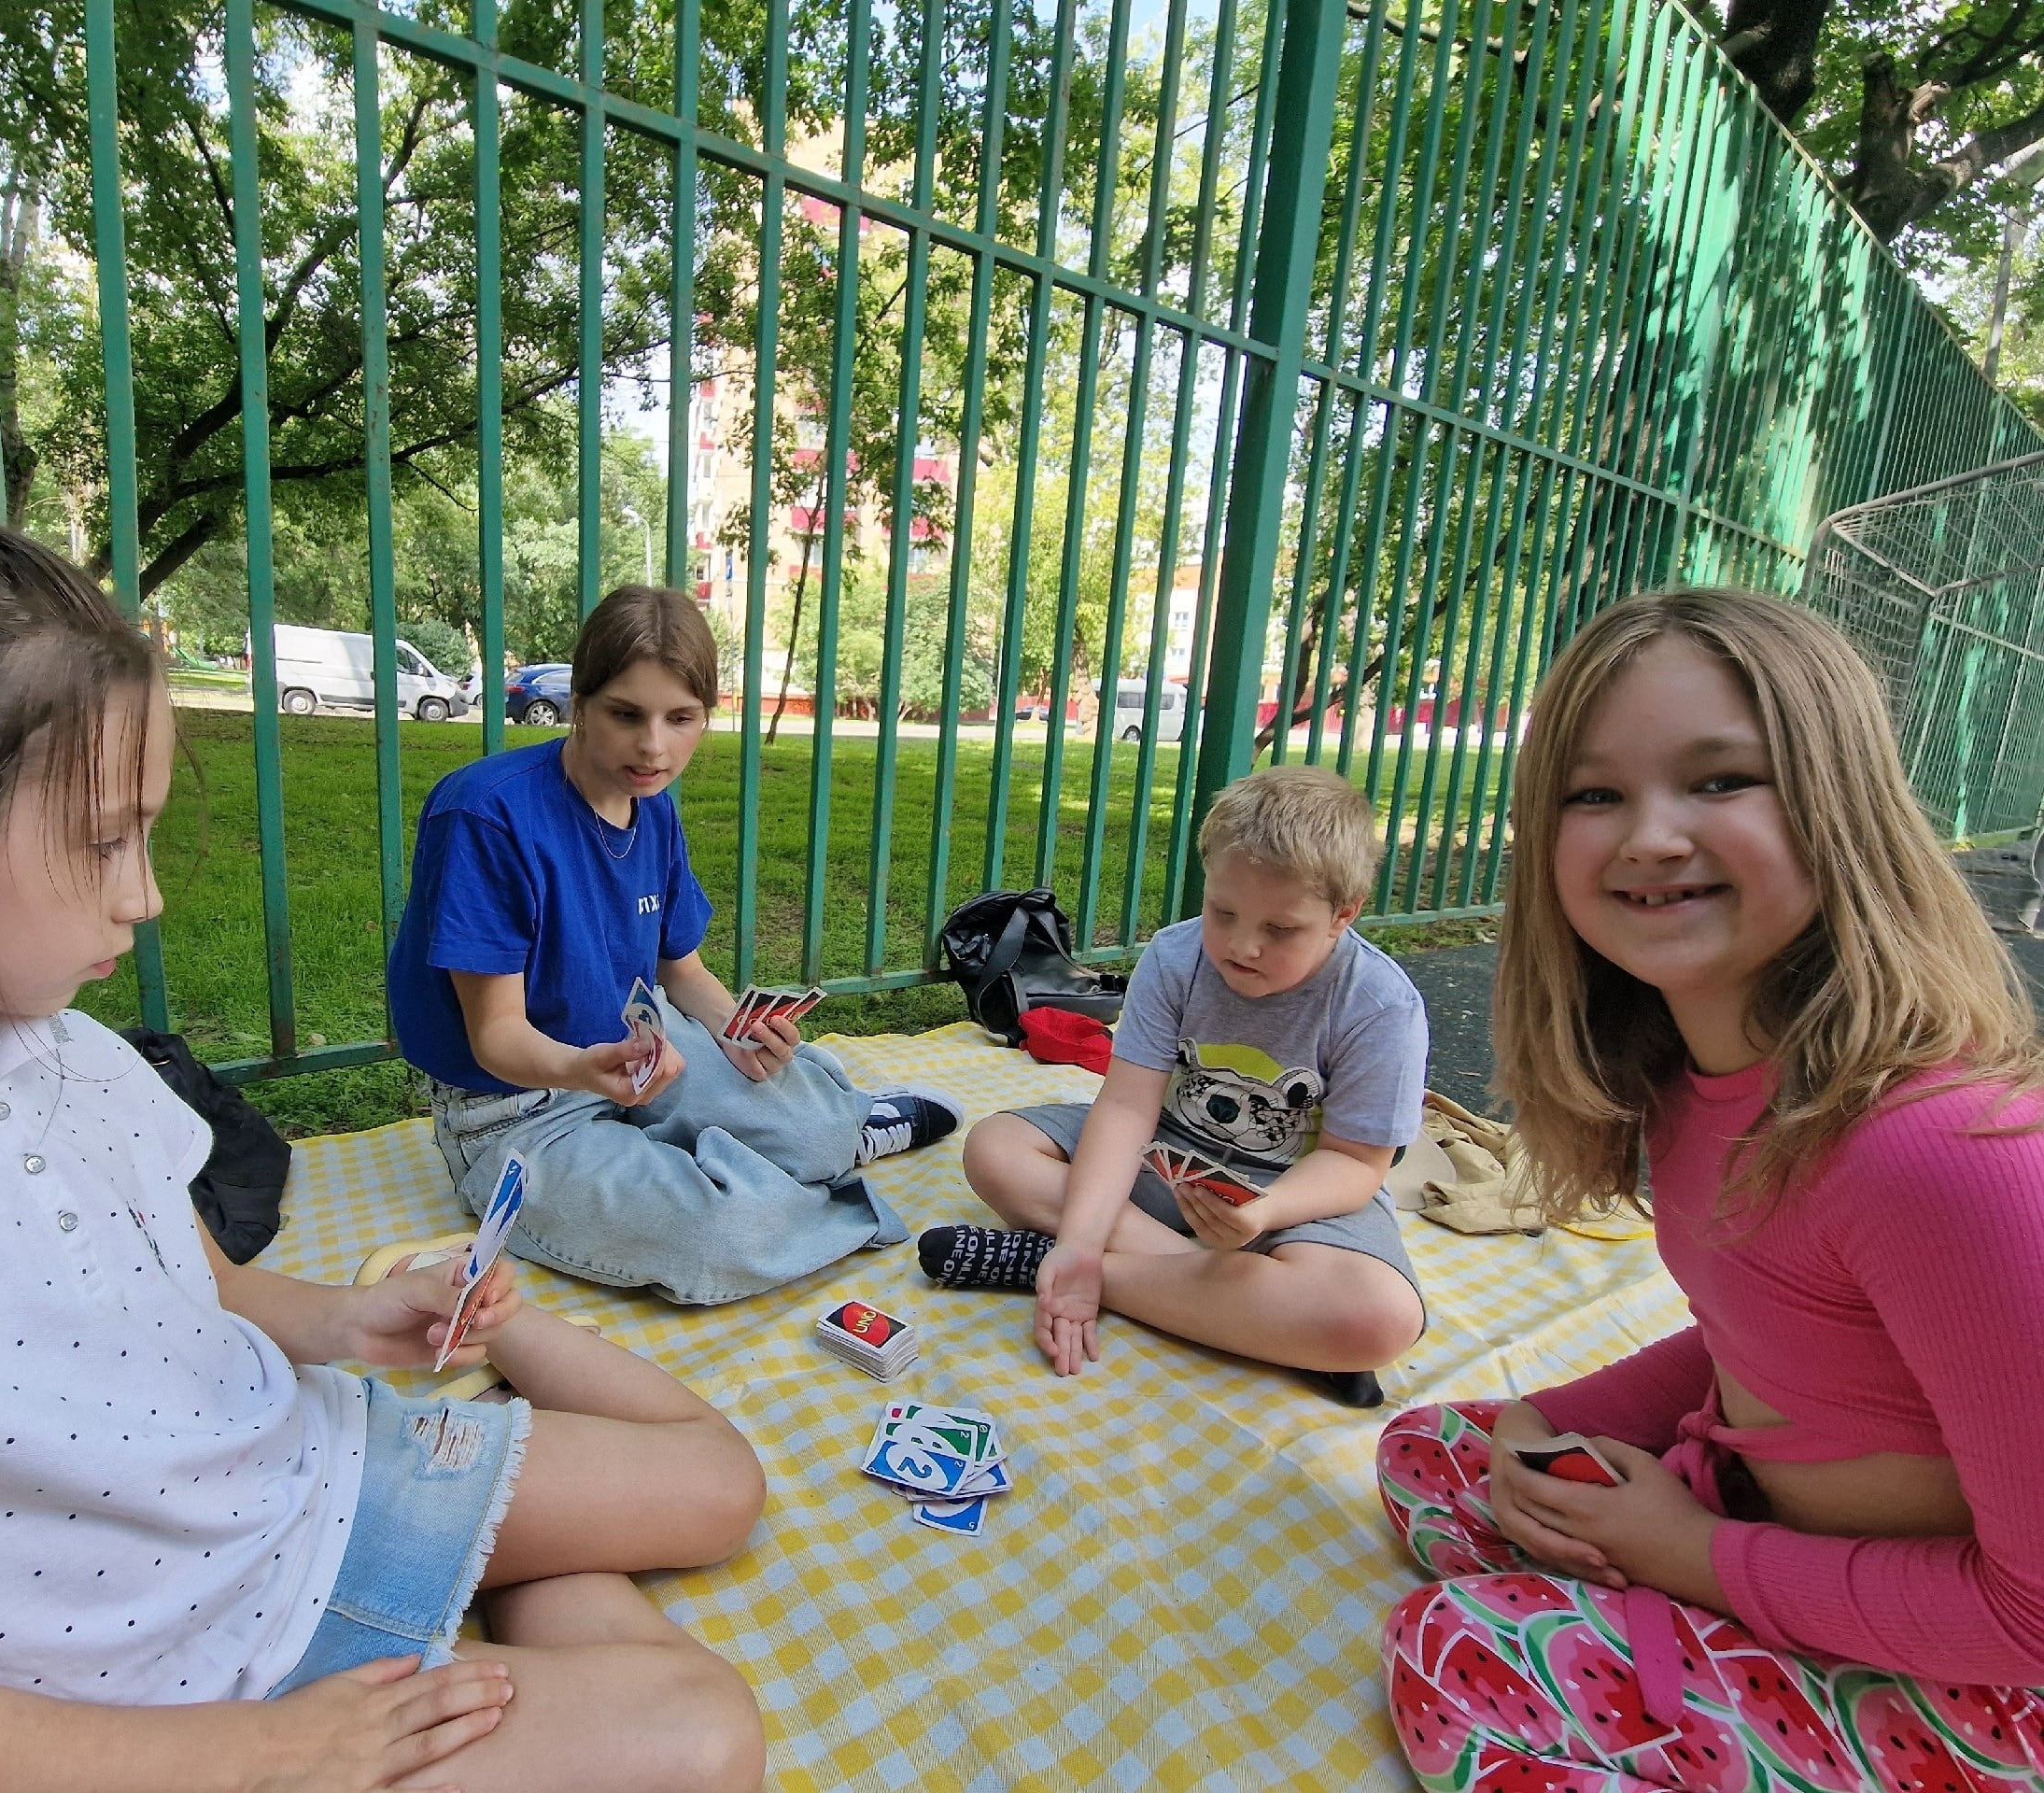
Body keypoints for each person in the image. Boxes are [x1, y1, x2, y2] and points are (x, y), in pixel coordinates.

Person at [0, 514, 768, 1793]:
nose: (144, 895)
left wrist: (350, 1320)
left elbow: (210, 1289)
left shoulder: (60, 1045)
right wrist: (269, 1752)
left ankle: (473, 1577)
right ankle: (490, 1596)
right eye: (104, 840)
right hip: (171, 1695)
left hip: (303, 1483)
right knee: (700, 1734)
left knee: (719, 1484)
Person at [1376, 588, 2044, 1790]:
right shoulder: (1689, 1083)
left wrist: (1687, 1555)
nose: (1648, 836)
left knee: (1451, 1654)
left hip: (1984, 1674)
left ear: (1838, 806)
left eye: (1720, 780)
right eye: (1593, 795)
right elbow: (1760, 1329)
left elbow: (2032, 1619)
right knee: (1438, 1451)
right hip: (1764, 1518)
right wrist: (1553, 1421)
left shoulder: (1943, 1150)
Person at [386, 585, 959, 1306]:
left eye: (680, 718)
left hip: (643, 1053)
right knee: (724, 1231)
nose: (654, 747)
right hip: (516, 1108)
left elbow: (679, 969)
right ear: (579, 703)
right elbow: (496, 1036)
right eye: (626, 715)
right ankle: (746, 1186)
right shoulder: (486, 815)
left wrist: (735, 1032)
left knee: (818, 1134)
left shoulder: (650, 806)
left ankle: (811, 1142)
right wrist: (586, 1072)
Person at [922, 765, 1430, 1409]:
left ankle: (1061, 1267)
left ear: (1342, 915)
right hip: (1164, 1159)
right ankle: (1240, 1309)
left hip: (1291, 1197)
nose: (1243, 946)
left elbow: (1355, 1164)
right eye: (1223, 912)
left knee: (1380, 1320)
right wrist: (1079, 1241)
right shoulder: (1174, 956)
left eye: (1280, 929)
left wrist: (1264, 1212)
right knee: (995, 1147)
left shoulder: (1380, 1006)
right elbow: (1126, 1107)